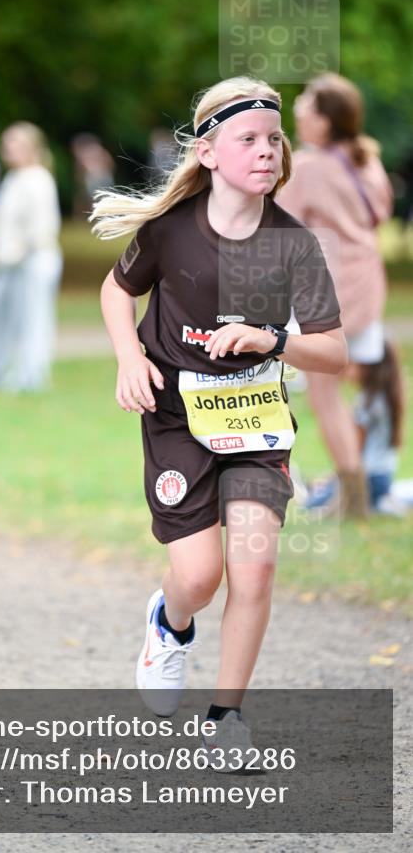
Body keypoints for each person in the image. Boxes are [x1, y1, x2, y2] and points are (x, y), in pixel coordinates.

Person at [91, 76, 347, 758]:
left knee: (254, 568)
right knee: (199, 577)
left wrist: (273, 340)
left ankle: (225, 718)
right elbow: (116, 291)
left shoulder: (294, 244)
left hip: (257, 420)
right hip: (177, 416)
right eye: (248, 139)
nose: (266, 151)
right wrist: (128, 357)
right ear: (206, 153)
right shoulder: (171, 231)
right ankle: (169, 623)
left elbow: (334, 352)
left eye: (274, 139)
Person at [279, 74, 393, 517]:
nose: (298, 110)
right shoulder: (368, 159)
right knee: (357, 389)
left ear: (325, 121)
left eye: (307, 104)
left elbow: (277, 223)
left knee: (324, 396)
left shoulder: (310, 167)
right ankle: (365, 481)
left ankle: (352, 497)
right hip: (367, 285)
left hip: (329, 292)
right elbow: (381, 212)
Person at [0, 121, 62, 393]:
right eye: (6, 143)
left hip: (32, 260)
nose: (7, 148)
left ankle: (31, 376)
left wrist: (18, 252)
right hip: (6, 262)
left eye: (14, 143)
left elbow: (42, 228)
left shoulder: (38, 179)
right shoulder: (13, 178)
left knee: (31, 319)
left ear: (31, 147)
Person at [354, 341, 406, 515]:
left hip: (368, 477)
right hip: (385, 477)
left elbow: (356, 450)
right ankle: (384, 501)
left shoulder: (366, 401)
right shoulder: (390, 398)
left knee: (314, 502)